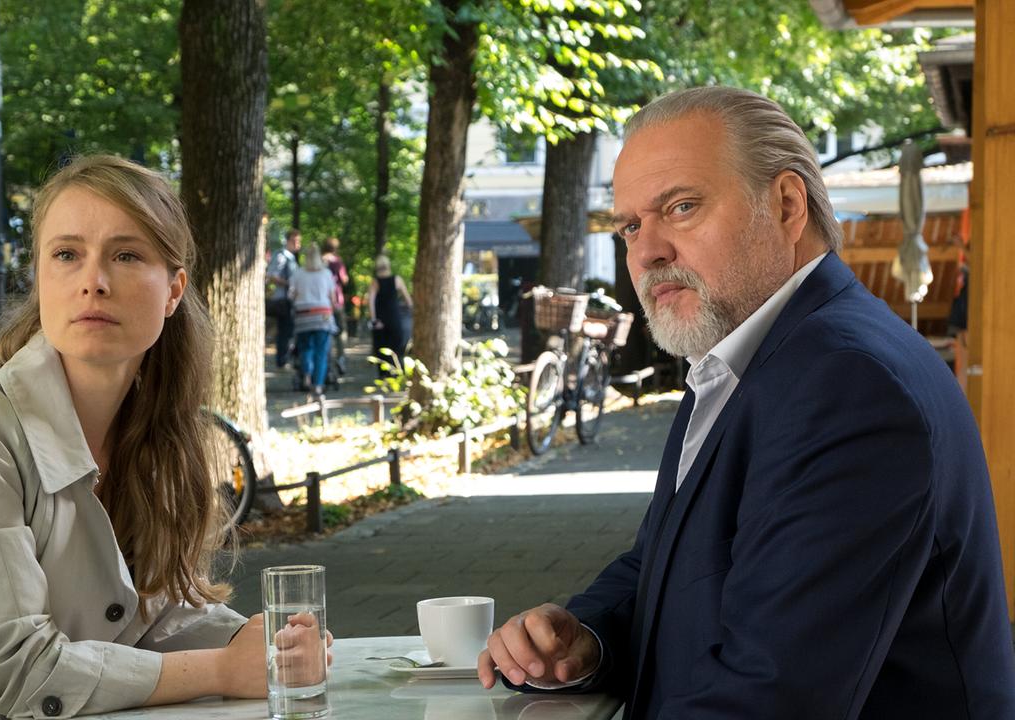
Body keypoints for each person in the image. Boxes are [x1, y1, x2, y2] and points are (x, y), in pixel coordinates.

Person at [478, 87, 1015, 719]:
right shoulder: (747, 358)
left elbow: (772, 695)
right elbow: (668, 561)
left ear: (787, 205)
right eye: (630, 225)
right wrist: (584, 639)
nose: (646, 252)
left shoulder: (849, 384)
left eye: (680, 207)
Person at [0, 155, 330, 719]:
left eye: (126, 255)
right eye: (67, 255)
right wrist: (225, 669)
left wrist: (263, 642)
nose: (93, 282)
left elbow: (149, 613)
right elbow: (14, 665)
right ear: (40, 277)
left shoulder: (157, 434)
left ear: (174, 291)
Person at [289, 243, 339, 400]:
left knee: (305, 349)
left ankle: (307, 377)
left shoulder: (298, 273)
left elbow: (291, 295)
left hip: (303, 315)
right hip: (323, 315)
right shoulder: (326, 273)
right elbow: (332, 298)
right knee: (321, 352)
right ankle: (318, 385)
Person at [367, 254, 412, 376]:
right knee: (396, 346)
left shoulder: (375, 282)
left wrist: (374, 319)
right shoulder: (397, 279)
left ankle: (384, 374)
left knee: (381, 347)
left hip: (381, 319)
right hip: (394, 317)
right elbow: (408, 300)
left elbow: (370, 302)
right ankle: (397, 371)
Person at [266, 229, 300, 368]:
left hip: (289, 300)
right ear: (288, 241)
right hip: (282, 300)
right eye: (295, 240)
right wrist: (289, 283)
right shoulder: (281, 256)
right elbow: (271, 275)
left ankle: (284, 358)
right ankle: (282, 359)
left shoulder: (291, 258)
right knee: (284, 331)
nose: (297, 244)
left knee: (288, 330)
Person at [322, 236, 350, 375]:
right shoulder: (337, 261)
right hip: (336, 300)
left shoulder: (320, 260)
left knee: (325, 331)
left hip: (322, 302)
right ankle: (340, 358)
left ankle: (326, 360)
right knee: (340, 332)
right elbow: (343, 279)